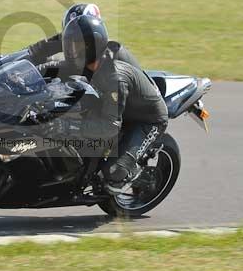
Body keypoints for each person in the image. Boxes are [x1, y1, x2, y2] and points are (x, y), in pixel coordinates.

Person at [45, 15, 168, 194]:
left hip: (146, 120)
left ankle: (134, 173)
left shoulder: (114, 77)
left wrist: (66, 126)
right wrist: (25, 72)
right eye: (69, 44)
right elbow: (56, 66)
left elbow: (110, 127)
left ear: (91, 47)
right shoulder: (90, 62)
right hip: (116, 108)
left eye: (76, 46)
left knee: (113, 175)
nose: (70, 51)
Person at [26, 3, 142, 78]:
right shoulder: (76, 40)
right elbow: (45, 47)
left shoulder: (109, 53)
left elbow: (71, 67)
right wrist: (24, 58)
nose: (73, 42)